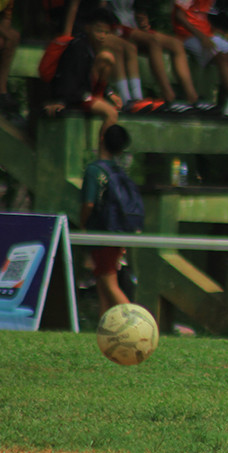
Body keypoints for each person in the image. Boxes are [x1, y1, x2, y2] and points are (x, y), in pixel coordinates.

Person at [110, 0, 210, 112]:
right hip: (118, 27)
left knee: (175, 44)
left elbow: (130, 8)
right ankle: (168, 96)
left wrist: (140, 20)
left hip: (131, 26)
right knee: (153, 41)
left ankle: (192, 98)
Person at [62, 0, 159, 114]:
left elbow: (102, 11)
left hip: (98, 27)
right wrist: (66, 36)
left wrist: (109, 31)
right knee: (117, 49)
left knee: (130, 47)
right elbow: (73, 6)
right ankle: (126, 100)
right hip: (82, 29)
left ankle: (137, 98)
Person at [80, 123, 136, 314]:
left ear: (102, 139)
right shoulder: (118, 170)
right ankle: (106, 326)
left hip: (102, 232)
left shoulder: (94, 170)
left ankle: (138, 325)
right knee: (102, 282)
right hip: (119, 230)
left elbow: (89, 204)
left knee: (109, 282)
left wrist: (83, 225)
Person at [45, 7, 123, 140]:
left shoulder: (94, 47)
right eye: (99, 31)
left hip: (89, 92)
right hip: (79, 96)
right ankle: (104, 156)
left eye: (106, 32)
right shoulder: (78, 48)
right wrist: (61, 101)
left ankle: (99, 97)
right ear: (88, 28)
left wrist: (109, 93)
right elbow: (68, 78)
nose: (102, 36)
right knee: (111, 114)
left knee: (107, 57)